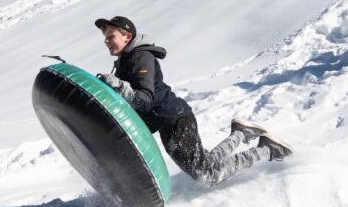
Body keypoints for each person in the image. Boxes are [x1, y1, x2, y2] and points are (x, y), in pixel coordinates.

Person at [94, 16, 293, 186]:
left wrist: (120, 86)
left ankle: (267, 149)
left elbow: (145, 99)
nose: (107, 41)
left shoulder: (140, 57)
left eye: (111, 36)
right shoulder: (125, 60)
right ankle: (241, 133)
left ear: (127, 36)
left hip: (175, 120)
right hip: (170, 122)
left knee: (207, 175)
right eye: (105, 38)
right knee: (208, 162)